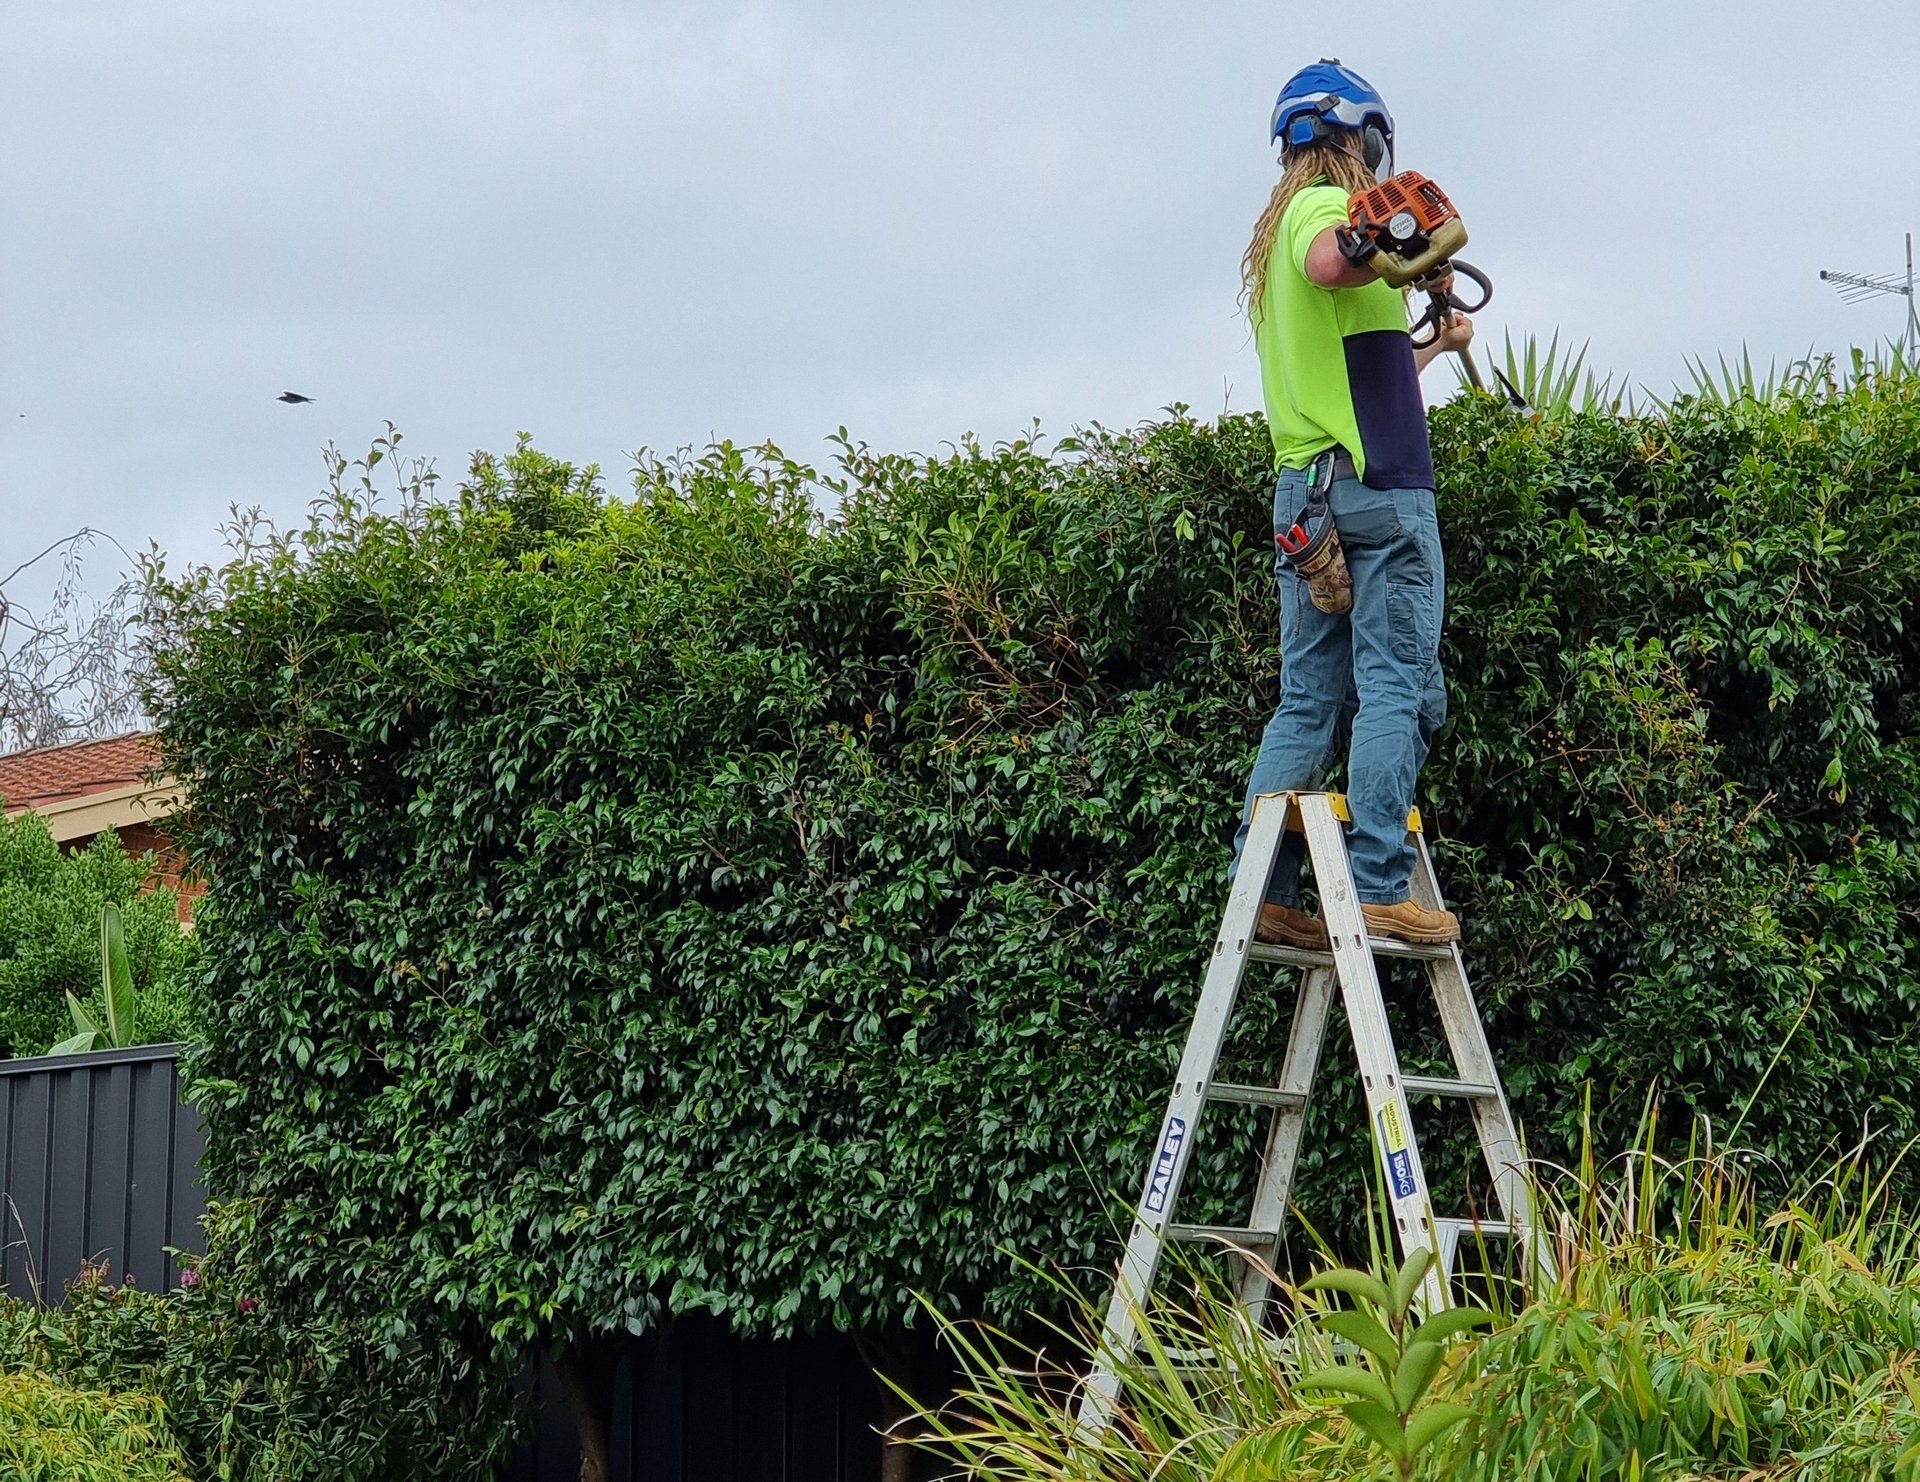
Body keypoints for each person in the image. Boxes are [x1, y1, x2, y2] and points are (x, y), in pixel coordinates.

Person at [1229, 59, 1474, 949]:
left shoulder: (1271, 268)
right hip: (1377, 495)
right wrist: (1387, 237)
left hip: (1313, 498)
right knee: (1399, 689)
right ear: (1360, 139)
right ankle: (1374, 886)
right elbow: (1334, 254)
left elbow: (1358, 384)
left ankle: (1261, 891)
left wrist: (1435, 344)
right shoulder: (1318, 212)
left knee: (1308, 698)